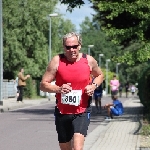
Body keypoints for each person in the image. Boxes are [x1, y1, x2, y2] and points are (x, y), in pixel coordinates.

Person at [40, 32, 104, 150]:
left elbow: (100, 75)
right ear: (64, 47)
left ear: (79, 46)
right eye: (68, 47)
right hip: (62, 111)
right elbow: (43, 85)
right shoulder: (57, 61)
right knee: (65, 147)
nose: (72, 50)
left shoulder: (88, 60)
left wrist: (93, 85)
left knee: (77, 147)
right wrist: (59, 89)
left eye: (74, 46)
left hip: (82, 110)